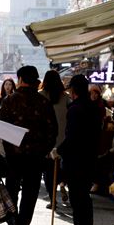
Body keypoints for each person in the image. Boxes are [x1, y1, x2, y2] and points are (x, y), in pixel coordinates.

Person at [0, 65, 57, 225]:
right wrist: (43, 151)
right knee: (30, 195)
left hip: (13, 157)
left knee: (11, 191)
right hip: (35, 159)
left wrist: (8, 148)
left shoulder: (9, 101)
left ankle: (13, 222)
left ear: (20, 79)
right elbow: (53, 132)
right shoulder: (44, 103)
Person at [55, 74, 101, 225]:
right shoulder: (94, 107)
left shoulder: (75, 109)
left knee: (77, 197)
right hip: (89, 158)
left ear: (74, 90)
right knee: (84, 196)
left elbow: (72, 137)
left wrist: (58, 150)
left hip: (76, 161)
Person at [38, 70, 71, 209]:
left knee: (48, 171)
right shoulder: (65, 98)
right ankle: (62, 184)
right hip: (63, 140)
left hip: (46, 140)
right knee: (61, 168)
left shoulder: (40, 96)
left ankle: (53, 200)